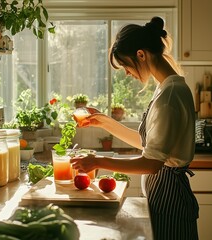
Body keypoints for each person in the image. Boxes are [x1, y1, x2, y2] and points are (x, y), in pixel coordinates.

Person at [70, 16, 199, 240]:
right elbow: (148, 145)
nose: (127, 73)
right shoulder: (167, 87)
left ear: (141, 54)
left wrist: (99, 161)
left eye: (126, 66)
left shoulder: (169, 95)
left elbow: (151, 163)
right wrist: (103, 121)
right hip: (164, 193)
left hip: (169, 195)